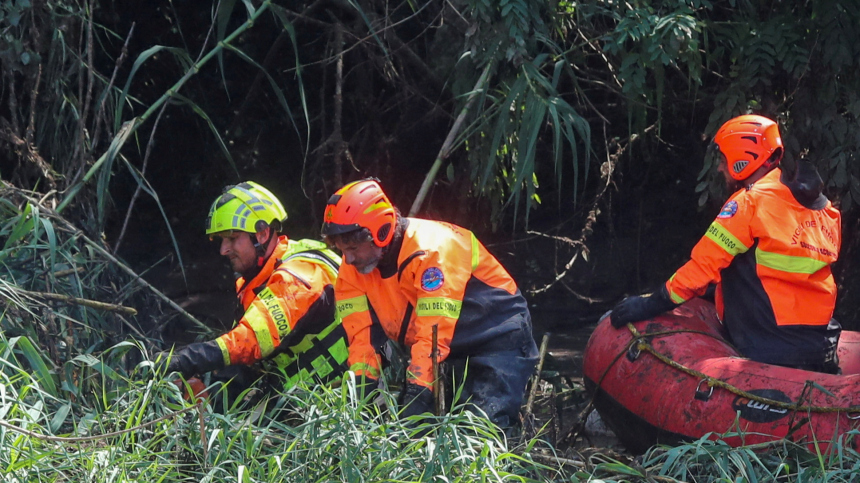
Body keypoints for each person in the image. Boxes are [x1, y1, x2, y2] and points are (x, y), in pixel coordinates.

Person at [610, 114, 842, 373]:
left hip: (771, 347)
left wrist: (649, 304)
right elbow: (780, 279)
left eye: (723, 160)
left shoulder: (749, 204)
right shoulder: (825, 210)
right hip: (822, 347)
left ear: (744, 159)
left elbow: (701, 269)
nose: (720, 169)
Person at [320, 178, 539, 429]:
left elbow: (433, 335)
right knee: (430, 431)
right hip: (449, 348)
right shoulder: (352, 269)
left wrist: (417, 393)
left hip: (497, 339)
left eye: (353, 248)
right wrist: (360, 397)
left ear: (380, 233)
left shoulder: (432, 251)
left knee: (482, 431)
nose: (348, 258)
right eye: (341, 249)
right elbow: (362, 339)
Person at [162, 181, 349, 398]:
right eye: (221, 240)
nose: (223, 250)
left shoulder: (298, 277)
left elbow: (247, 341)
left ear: (262, 234)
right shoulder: (257, 280)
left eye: (232, 238)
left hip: (343, 402)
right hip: (300, 395)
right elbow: (247, 361)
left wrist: (182, 360)